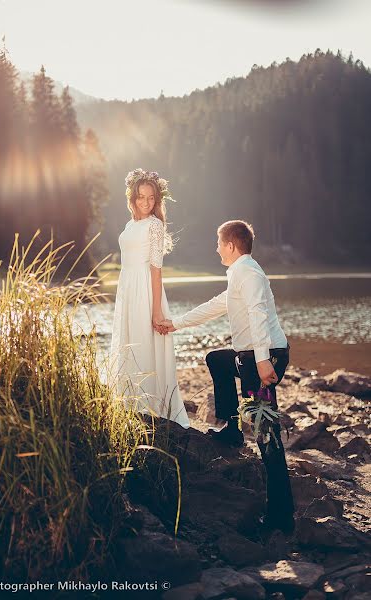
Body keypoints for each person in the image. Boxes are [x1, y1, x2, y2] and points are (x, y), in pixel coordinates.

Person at [162, 220, 295, 533]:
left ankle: (280, 516)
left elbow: (259, 316)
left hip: (263, 358)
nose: (216, 248)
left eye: (219, 243)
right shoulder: (239, 272)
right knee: (217, 360)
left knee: (266, 433)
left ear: (232, 245)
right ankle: (232, 430)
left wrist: (263, 363)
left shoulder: (249, 274)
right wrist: (175, 323)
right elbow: (216, 305)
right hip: (249, 358)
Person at [109, 168, 189, 428]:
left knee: (145, 344)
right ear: (132, 198)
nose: (145, 202)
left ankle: (151, 407)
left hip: (145, 289)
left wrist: (156, 311)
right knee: (129, 343)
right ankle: (129, 404)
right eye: (141, 197)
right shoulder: (130, 224)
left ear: (157, 200)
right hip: (128, 288)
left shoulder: (154, 226)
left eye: (151, 198)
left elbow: (156, 270)